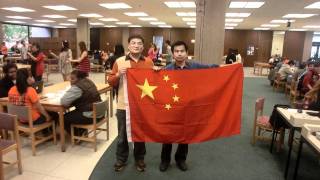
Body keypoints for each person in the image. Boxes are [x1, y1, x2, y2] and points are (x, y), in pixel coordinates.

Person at [159, 41, 219, 172]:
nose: (179, 54)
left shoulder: (194, 66)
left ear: (187, 53)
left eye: (182, 51)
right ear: (173, 53)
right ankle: (165, 160)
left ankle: (181, 159)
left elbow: (212, 68)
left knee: (185, 133)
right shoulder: (167, 69)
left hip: (188, 108)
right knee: (168, 134)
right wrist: (154, 73)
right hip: (172, 107)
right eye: (176, 51)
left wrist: (230, 67)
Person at [108, 35, 154, 172]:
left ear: (143, 47)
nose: (136, 45)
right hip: (124, 104)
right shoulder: (120, 61)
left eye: (139, 43)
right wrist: (117, 75)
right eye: (133, 43)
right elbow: (110, 81)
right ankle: (121, 159)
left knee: (140, 133)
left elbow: (153, 82)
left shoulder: (148, 62)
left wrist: (157, 72)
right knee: (122, 134)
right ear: (128, 46)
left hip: (142, 105)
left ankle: (140, 158)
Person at [61, 70, 101, 135]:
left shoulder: (77, 87)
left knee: (63, 118)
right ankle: (82, 132)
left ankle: (77, 135)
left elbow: (64, 102)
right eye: (70, 78)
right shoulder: (88, 81)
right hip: (99, 112)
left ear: (79, 78)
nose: (70, 80)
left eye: (73, 79)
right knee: (76, 112)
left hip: (90, 115)